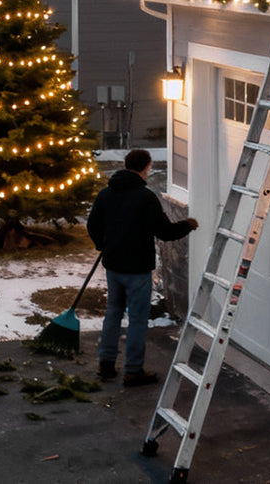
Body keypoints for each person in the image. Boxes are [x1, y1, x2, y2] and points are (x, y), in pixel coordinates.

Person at [87, 148, 198, 387]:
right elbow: (165, 232)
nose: (149, 173)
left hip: (114, 266)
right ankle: (133, 370)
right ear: (144, 168)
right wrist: (187, 225)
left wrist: (103, 245)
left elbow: (93, 224)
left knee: (113, 313)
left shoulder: (106, 194)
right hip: (136, 269)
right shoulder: (145, 197)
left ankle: (105, 364)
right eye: (149, 169)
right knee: (137, 319)